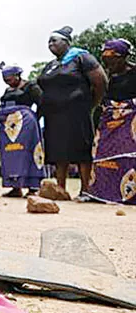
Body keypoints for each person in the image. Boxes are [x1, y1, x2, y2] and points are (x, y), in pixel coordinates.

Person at [38, 26, 107, 201]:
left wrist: (91, 104)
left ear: (67, 43)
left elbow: (101, 81)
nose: (50, 43)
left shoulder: (81, 57)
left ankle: (85, 190)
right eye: (49, 41)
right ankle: (60, 189)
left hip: (77, 112)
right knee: (58, 150)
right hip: (54, 115)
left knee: (80, 149)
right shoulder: (51, 65)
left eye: (55, 40)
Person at [87, 39, 136, 204]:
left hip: (131, 119)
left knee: (128, 154)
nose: (109, 63)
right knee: (102, 152)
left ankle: (128, 194)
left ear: (123, 57)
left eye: (113, 60)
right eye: (106, 60)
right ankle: (102, 193)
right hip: (109, 119)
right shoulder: (110, 75)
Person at [0, 62, 45, 197]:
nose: (7, 82)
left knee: (28, 152)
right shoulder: (8, 90)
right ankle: (15, 187)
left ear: (17, 76)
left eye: (9, 79)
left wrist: (34, 119)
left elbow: (42, 102)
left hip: (27, 125)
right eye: (5, 80)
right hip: (9, 127)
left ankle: (33, 188)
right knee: (11, 154)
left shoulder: (31, 86)